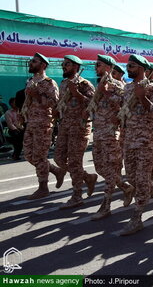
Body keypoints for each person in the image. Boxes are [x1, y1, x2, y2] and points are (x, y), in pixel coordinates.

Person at [119, 54, 153, 236]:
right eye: (128, 65)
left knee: (141, 181)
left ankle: (137, 218)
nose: (128, 68)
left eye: (131, 66)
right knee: (132, 179)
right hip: (129, 140)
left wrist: (143, 99)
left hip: (146, 141)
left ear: (141, 68)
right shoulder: (126, 88)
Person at [89, 55, 135, 221]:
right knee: (100, 167)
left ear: (108, 67)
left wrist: (106, 93)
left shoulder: (117, 85)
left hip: (111, 133)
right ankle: (125, 187)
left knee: (110, 169)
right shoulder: (100, 85)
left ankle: (106, 205)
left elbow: (124, 106)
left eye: (99, 65)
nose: (96, 67)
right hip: (98, 132)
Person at [55, 55, 97, 209]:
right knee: (59, 159)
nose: (63, 66)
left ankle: (77, 195)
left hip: (79, 128)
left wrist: (77, 94)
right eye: (63, 63)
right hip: (65, 127)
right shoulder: (64, 83)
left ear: (76, 67)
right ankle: (87, 177)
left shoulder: (84, 84)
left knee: (74, 162)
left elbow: (94, 105)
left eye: (67, 64)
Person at [22, 53, 63, 200]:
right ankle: (56, 171)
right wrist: (23, 113)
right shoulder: (31, 81)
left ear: (43, 65)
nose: (30, 64)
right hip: (31, 123)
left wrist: (38, 95)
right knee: (28, 155)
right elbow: (28, 101)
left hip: (43, 124)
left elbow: (54, 104)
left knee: (39, 156)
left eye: (34, 62)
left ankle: (43, 187)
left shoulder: (49, 83)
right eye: (31, 61)